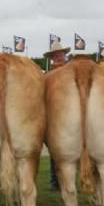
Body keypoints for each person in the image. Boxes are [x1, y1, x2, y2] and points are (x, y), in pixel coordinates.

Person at [43, 41, 72, 191]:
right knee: (54, 149)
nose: (58, 57)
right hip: (54, 115)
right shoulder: (48, 75)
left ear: (65, 55)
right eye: (55, 55)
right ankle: (56, 181)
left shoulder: (72, 70)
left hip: (69, 111)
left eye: (60, 54)